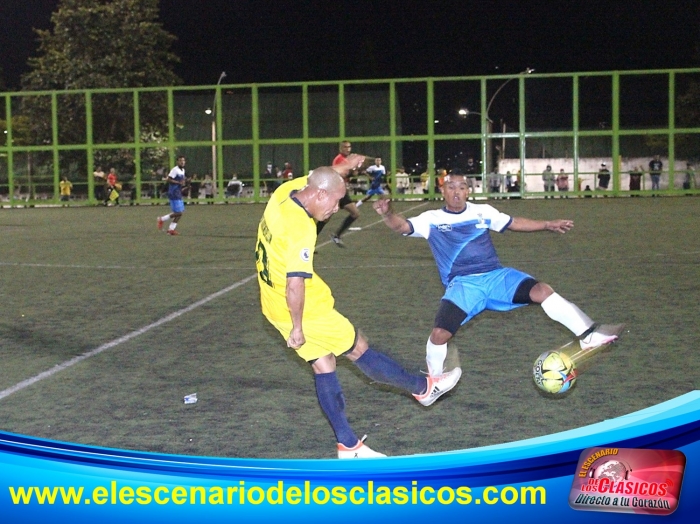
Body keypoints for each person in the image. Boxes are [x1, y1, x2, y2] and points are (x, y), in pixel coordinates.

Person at [255, 159, 462, 458]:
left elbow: (323, 176)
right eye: (335, 202)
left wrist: (345, 168)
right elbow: (295, 284)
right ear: (320, 194)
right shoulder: (300, 228)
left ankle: (348, 446)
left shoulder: (285, 192)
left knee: (324, 363)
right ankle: (423, 388)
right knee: (358, 348)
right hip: (302, 308)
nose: (336, 209)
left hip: (272, 302)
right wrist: (297, 327)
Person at [373, 172, 621, 378]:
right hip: (464, 285)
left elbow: (514, 222)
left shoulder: (483, 211)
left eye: (462, 187)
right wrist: (387, 214)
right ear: (443, 191)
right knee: (439, 335)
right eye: (451, 187)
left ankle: (588, 336)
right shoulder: (431, 219)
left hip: (496, 277)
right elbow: (401, 226)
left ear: (469, 191)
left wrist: (547, 224)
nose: (457, 192)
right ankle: (433, 381)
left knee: (542, 291)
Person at [317, 141, 364, 246]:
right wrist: (352, 172)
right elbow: (340, 174)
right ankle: (309, 241)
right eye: (345, 147)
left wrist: (356, 171)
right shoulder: (339, 159)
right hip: (335, 192)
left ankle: (336, 235)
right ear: (340, 149)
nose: (348, 149)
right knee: (325, 218)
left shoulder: (346, 160)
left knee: (355, 213)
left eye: (349, 147)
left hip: (342, 191)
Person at [157, 155, 186, 235]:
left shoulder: (182, 170)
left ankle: (171, 230)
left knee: (180, 213)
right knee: (179, 213)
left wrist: (183, 185)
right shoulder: (175, 170)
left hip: (178, 192)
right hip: (173, 192)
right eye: (180, 160)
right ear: (177, 162)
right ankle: (162, 219)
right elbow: (168, 179)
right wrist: (178, 182)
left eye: (183, 160)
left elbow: (180, 181)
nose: (182, 162)